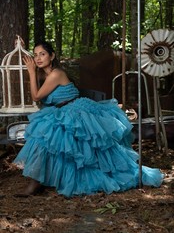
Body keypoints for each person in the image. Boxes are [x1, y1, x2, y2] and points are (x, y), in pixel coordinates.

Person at [13, 40, 164, 197]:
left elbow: (36, 96)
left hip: (73, 110)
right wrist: (21, 49)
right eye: (35, 55)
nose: (38, 58)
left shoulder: (56, 74)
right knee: (45, 137)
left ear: (52, 56)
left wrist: (30, 71)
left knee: (52, 136)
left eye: (42, 54)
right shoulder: (44, 74)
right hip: (62, 111)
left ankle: (35, 184)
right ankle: (38, 182)